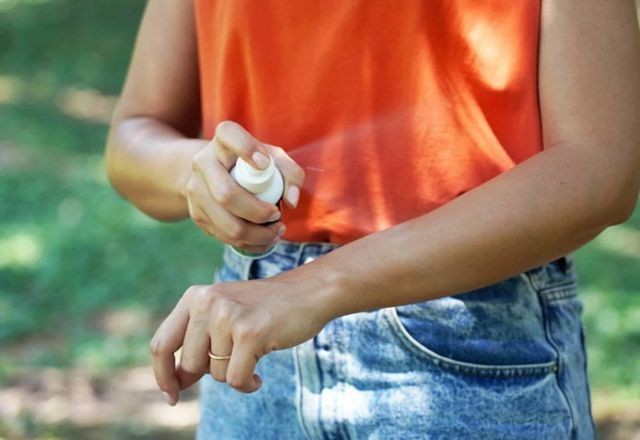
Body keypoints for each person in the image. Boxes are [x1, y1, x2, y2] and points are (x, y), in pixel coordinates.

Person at [105, 1, 640, 438]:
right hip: (251, 336)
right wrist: (192, 174)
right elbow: (134, 134)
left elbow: (600, 170)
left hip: (469, 337)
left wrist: (314, 288)